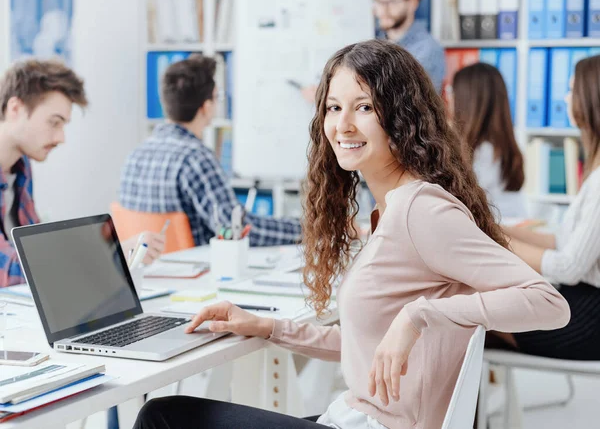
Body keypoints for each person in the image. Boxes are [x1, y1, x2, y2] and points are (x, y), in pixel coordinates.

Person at [132, 40, 569, 429]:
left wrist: (419, 315)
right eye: (333, 107)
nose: (342, 125)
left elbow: (549, 303)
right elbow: (365, 346)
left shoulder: (421, 209)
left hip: (374, 422)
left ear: (402, 117)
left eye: (363, 107)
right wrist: (268, 326)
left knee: (163, 415)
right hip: (352, 415)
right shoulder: (392, 210)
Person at [0, 59, 165, 288]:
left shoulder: (20, 167)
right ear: (15, 109)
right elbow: (10, 271)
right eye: (54, 122)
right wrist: (110, 254)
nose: (61, 138)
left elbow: (34, 250)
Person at [119, 55, 302, 247]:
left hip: (149, 273)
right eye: (217, 98)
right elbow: (236, 229)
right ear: (206, 107)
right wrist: (306, 229)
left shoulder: (135, 156)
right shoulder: (195, 158)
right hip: (198, 271)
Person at [500, 54, 600, 360]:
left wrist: (500, 243)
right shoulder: (594, 169)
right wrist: (493, 229)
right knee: (470, 316)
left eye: (572, 91)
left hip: (588, 316)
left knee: (469, 323)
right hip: (580, 300)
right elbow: (564, 240)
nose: (566, 98)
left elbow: (569, 267)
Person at [301, 0, 445, 103]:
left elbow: (403, 99)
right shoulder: (371, 39)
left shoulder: (427, 49)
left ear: (412, 3)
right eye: (379, 2)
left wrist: (331, 95)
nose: (382, 10)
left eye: (391, 2)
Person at [449, 62, 527, 219]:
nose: (448, 98)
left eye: (451, 91)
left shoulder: (481, 154)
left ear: (466, 101)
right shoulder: (501, 148)